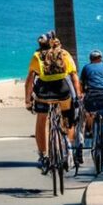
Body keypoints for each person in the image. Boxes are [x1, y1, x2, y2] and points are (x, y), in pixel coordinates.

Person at [25, 33, 82, 171]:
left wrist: (27, 100)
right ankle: (68, 148)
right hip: (62, 91)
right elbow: (74, 76)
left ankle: (43, 154)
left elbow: (30, 80)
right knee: (68, 119)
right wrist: (78, 95)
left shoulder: (37, 56)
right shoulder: (64, 54)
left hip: (43, 92)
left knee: (41, 120)